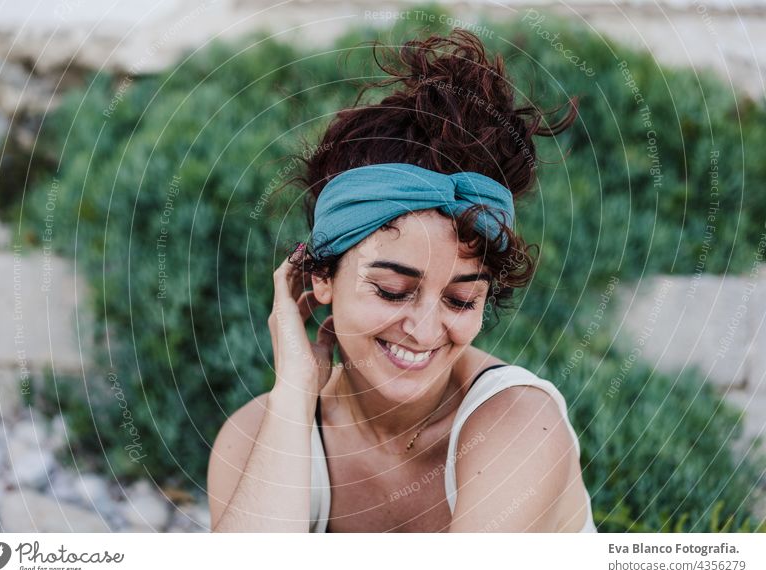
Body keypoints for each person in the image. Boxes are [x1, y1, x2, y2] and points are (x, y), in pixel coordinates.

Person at [208, 28, 596, 533]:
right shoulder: (252, 436)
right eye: (392, 290)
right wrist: (294, 394)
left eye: (460, 299)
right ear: (321, 276)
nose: (425, 329)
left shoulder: (519, 425)